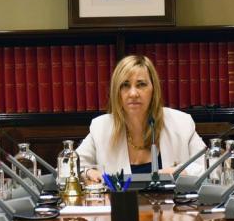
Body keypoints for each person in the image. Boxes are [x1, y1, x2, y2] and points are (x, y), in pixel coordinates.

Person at [77, 55, 205, 180]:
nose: (133, 93)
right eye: (125, 85)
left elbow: (209, 164)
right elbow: (72, 166)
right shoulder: (101, 127)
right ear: (117, 92)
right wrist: (88, 172)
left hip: (173, 195)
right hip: (120, 196)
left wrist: (181, 172)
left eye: (141, 84)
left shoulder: (181, 123)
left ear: (153, 89)